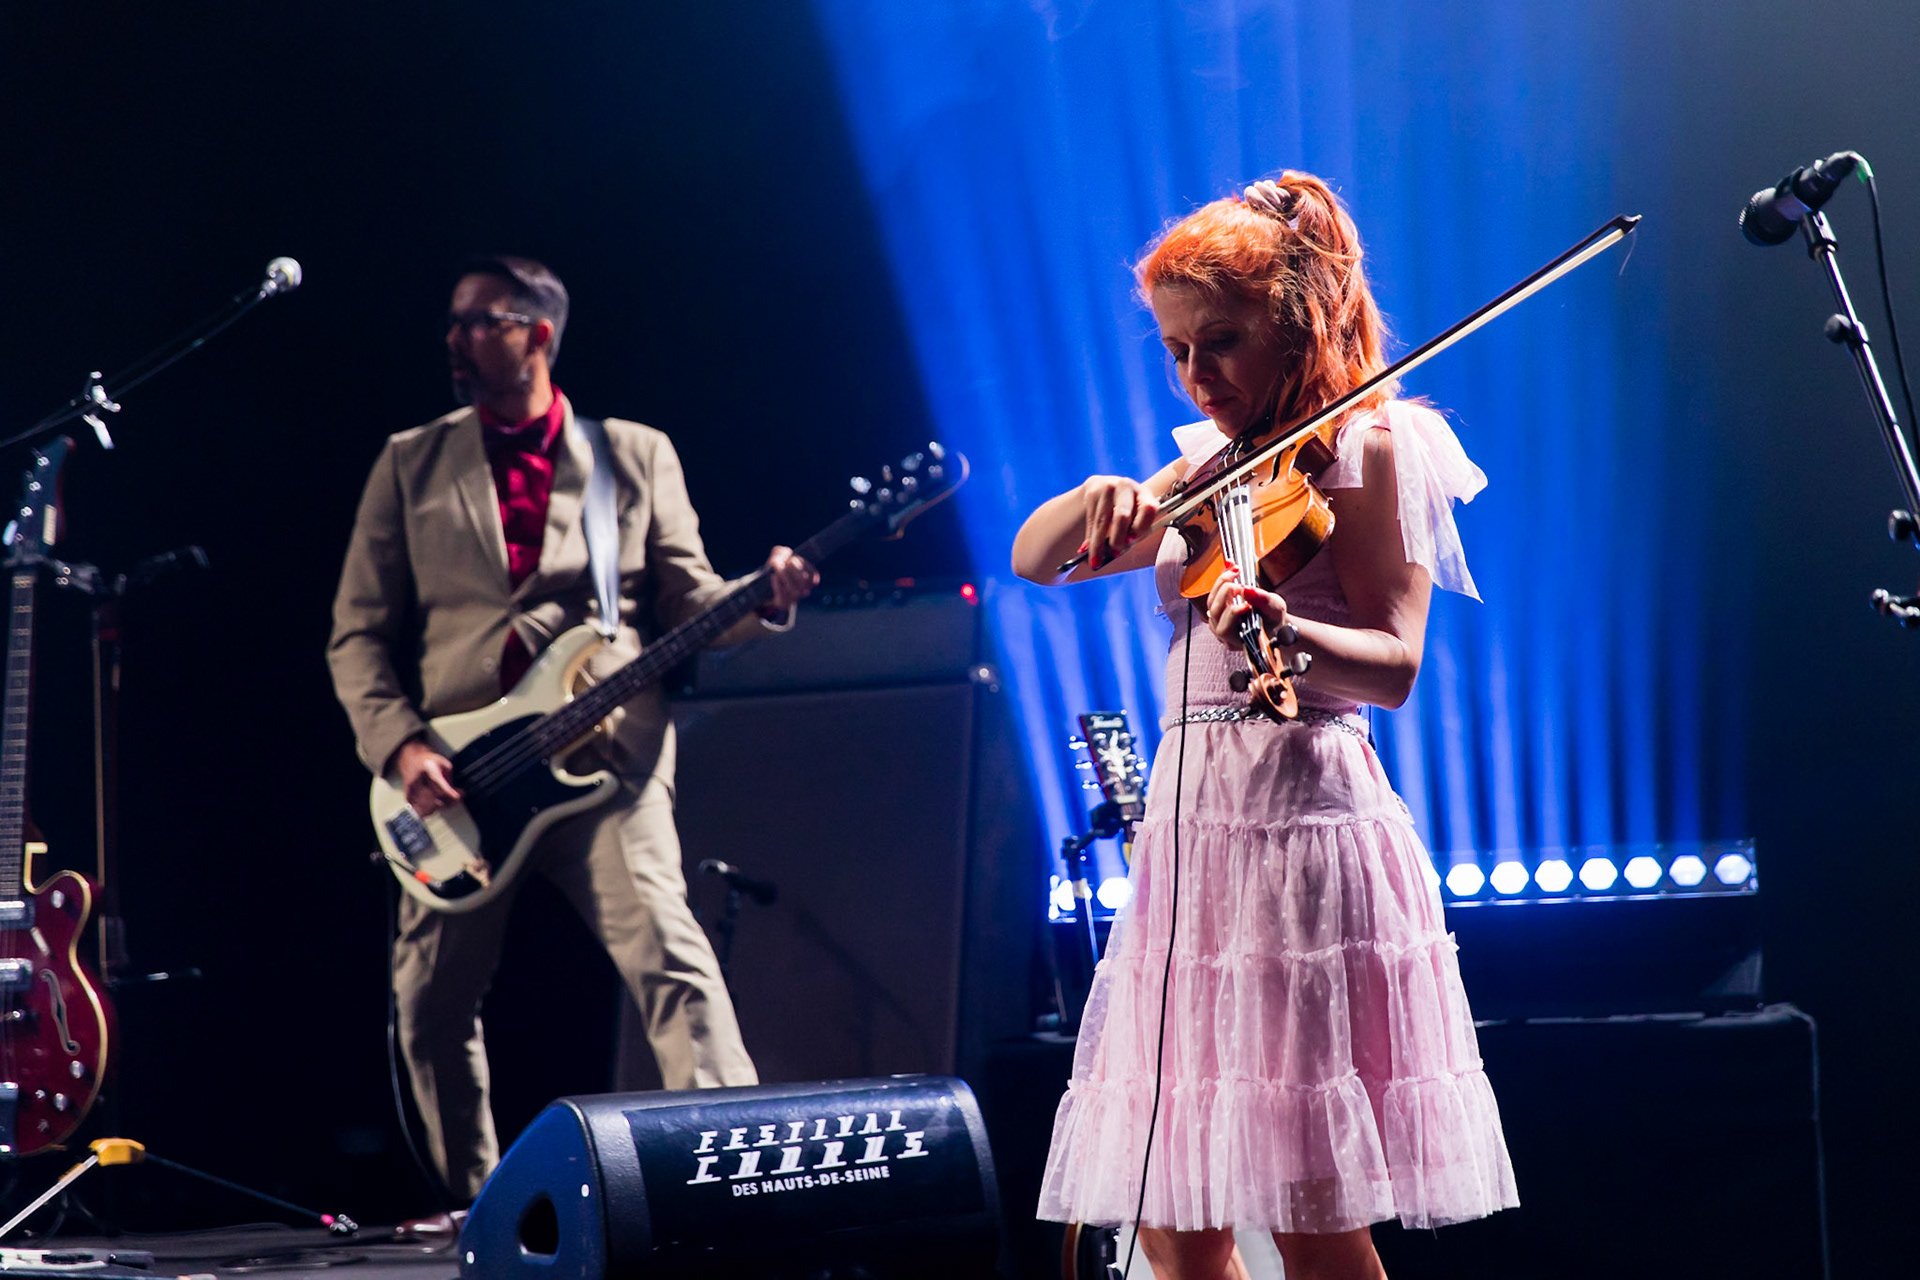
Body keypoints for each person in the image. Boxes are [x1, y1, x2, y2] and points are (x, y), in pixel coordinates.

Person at [1012, 175, 1517, 1280]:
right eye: (1177, 350)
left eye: (1225, 343)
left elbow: (1394, 664)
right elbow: (1038, 558)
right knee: (1171, 1214)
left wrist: (1291, 632)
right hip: (1192, 854)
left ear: (1300, 321)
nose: (1199, 375)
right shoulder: (1201, 467)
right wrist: (1097, 493)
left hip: (1300, 842)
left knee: (1308, 1207)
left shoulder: (1373, 449)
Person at [327, 255, 817, 1209]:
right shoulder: (410, 459)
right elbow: (356, 635)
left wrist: (769, 597)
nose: (457, 341)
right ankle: (479, 1209)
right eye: (456, 324)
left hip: (608, 762)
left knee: (671, 962)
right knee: (429, 1011)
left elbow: (693, 600)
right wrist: (402, 747)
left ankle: (745, 1189)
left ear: (537, 334)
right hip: (459, 777)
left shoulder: (632, 455)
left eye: (479, 323)